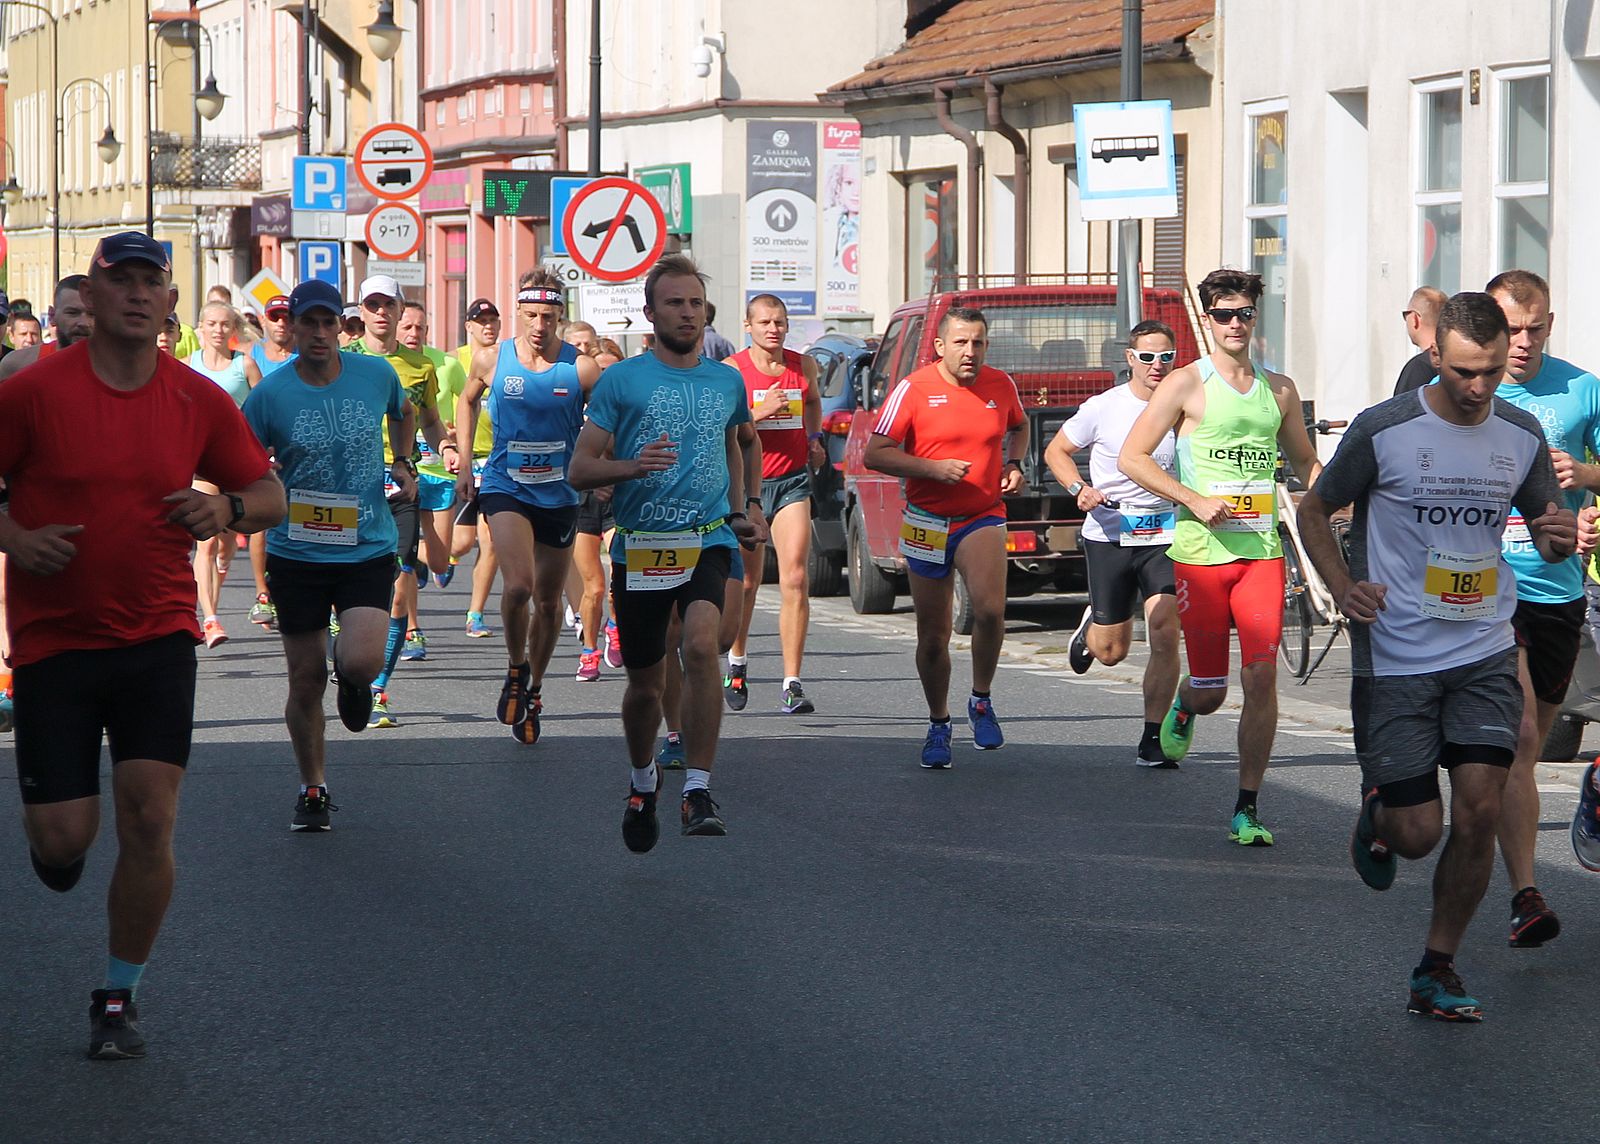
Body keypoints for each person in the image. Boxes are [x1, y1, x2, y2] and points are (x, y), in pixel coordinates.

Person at [0, 230, 285, 1059]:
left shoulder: (198, 399)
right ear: (88, 298)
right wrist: (13, 538)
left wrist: (225, 512)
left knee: (150, 818)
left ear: (167, 304)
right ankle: (57, 849)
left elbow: (266, 491)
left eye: (147, 282)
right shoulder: (32, 392)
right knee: (62, 842)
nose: (132, 293)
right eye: (115, 280)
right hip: (55, 641)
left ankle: (119, 996)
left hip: (158, 634)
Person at [1297, 291, 1577, 1021]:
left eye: (1488, 372)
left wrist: (1560, 535)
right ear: (1434, 357)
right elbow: (1313, 509)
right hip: (1396, 654)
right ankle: (1379, 815)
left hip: (1484, 645)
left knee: (1481, 807)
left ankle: (1437, 966)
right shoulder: (1384, 429)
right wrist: (1342, 584)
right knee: (1418, 833)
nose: (1478, 388)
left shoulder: (1516, 432)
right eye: (1463, 373)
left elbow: (1550, 529)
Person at [569, 253, 763, 850]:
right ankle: (642, 779)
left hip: (708, 537)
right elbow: (580, 467)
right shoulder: (622, 380)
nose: (687, 313)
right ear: (649, 313)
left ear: (707, 313)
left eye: (695, 304)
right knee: (645, 685)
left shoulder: (726, 379)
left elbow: (742, 442)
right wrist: (630, 466)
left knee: (704, 647)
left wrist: (747, 506)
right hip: (643, 546)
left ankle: (698, 789)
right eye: (674, 303)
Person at [1120, 269, 1321, 845]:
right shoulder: (1184, 384)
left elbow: (1305, 462)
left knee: (1261, 677)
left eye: (1245, 314)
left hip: (1260, 552)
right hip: (1201, 556)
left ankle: (1247, 806)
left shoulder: (1278, 390)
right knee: (1211, 692)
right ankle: (1184, 703)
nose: (1236, 324)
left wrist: (1334, 493)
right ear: (1206, 320)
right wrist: (1192, 498)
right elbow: (1134, 457)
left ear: (1256, 319)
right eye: (1224, 314)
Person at [243, 279, 416, 831]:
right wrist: (255, 482)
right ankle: (312, 786)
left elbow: (404, 413)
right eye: (307, 323)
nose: (318, 333)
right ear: (290, 328)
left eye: (327, 323)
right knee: (305, 678)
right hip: (297, 553)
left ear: (342, 327)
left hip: (366, 544)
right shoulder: (270, 395)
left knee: (359, 661)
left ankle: (360, 683)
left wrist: (404, 461)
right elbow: (242, 457)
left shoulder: (376, 375)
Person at [1469, 269, 1600, 948]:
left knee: (1532, 744)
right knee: (1520, 737)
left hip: (1559, 590)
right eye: (1510, 328)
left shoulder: (1582, 389)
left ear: (1552, 322)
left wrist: (1588, 482)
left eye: (1535, 327)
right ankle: (1526, 893)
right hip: (1481, 588)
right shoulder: (1468, 391)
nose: (1522, 343)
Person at [865, 306, 1028, 767]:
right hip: (927, 520)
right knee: (933, 636)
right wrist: (931, 469)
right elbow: (877, 453)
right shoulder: (913, 389)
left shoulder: (1000, 385)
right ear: (939, 346)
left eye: (978, 342)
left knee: (991, 611)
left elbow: (1018, 426)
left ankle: (981, 698)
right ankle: (939, 722)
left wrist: (1014, 463)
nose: (970, 351)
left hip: (982, 514)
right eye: (960, 342)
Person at [457, 269, 600, 742]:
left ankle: (534, 688)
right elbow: (467, 400)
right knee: (519, 586)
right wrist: (462, 466)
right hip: (505, 487)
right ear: (518, 314)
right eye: (532, 315)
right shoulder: (491, 359)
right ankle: (516, 668)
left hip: (559, 493)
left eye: (550, 317)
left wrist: (600, 465)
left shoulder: (580, 367)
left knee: (549, 602)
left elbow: (608, 417)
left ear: (562, 317)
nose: (540, 325)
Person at [1046, 319, 1183, 766]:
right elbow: (1056, 452)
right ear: (1130, 359)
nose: (1157, 365)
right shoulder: (1104, 407)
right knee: (1111, 653)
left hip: (1166, 534)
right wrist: (1078, 490)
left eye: (1166, 356)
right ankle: (1092, 629)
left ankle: (1152, 737)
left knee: (1164, 630)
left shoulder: (1185, 405)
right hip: (1110, 533)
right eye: (1147, 357)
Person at [345, 275, 446, 728]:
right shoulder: (345, 362)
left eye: (389, 304)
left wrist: (446, 447)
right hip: (351, 486)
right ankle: (349, 647)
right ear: (361, 312)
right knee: (348, 583)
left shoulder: (420, 366)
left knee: (400, 586)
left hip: (401, 482)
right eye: (373, 304)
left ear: (401, 309)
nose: (382, 312)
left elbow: (430, 422)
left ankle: (379, 688)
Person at [725, 293, 825, 714]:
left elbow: (814, 403)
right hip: (749, 485)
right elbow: (724, 428)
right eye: (765, 322)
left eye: (780, 322)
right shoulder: (732, 370)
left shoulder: (804, 366)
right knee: (747, 582)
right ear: (748, 326)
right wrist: (760, 412)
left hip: (791, 482)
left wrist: (815, 439)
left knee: (796, 578)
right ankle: (737, 661)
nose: (774, 329)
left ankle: (792, 682)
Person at [187, 302, 264, 649]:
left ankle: (223, 562)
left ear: (233, 329)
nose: (218, 330)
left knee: (227, 541)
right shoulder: (189, 367)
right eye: (212, 324)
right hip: (202, 462)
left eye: (224, 325)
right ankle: (210, 619)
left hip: (235, 461)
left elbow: (263, 409)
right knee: (205, 541)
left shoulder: (243, 365)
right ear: (201, 327)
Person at [399, 300, 466, 634]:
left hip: (439, 470)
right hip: (407, 470)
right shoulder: (383, 364)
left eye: (420, 327)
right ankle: (412, 629)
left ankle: (420, 557)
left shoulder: (444, 365)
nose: (414, 333)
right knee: (403, 560)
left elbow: (469, 404)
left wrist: (454, 439)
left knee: (440, 560)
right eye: (407, 326)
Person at [455, 297, 505, 637]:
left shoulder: (509, 358)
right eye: (480, 320)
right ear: (468, 326)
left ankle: (475, 613)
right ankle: (427, 560)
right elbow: (447, 406)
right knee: (458, 545)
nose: (488, 326)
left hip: (498, 460)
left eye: (493, 320)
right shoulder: (453, 362)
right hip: (462, 459)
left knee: (491, 541)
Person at [0, 274, 93, 381]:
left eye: (92, 314)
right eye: (72, 313)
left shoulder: (114, 369)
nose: (84, 322)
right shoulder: (18, 365)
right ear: (52, 315)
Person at [1394, 286, 1449, 396]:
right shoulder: (1455, 362)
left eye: (1406, 315)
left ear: (1415, 318)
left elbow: (1403, 411)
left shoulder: (1418, 368)